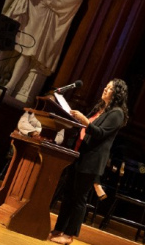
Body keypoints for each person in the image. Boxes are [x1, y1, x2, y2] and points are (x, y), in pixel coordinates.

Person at [49, 79, 128, 244]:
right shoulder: (100, 108)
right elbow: (86, 127)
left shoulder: (117, 113)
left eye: (109, 88)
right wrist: (76, 119)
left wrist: (84, 121)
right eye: (105, 86)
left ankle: (69, 235)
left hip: (92, 160)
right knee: (68, 194)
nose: (105, 90)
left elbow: (99, 133)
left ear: (117, 93)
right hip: (79, 154)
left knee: (79, 198)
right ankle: (58, 229)